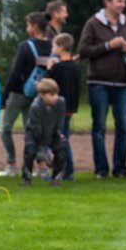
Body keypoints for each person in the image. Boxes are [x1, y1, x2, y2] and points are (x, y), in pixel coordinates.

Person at [78, 0, 126, 179]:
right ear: (108, 2)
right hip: (98, 82)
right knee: (99, 127)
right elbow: (83, 50)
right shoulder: (93, 24)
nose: (123, 5)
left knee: (124, 126)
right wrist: (108, 46)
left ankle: (120, 168)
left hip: (122, 84)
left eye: (123, 1)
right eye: (119, 1)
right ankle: (101, 169)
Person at [0, 12, 51, 177]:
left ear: (35, 27)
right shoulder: (51, 46)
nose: (27, 28)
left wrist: (5, 95)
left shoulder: (26, 46)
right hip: (40, 94)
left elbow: (16, 73)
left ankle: (11, 164)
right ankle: (42, 166)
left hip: (19, 93)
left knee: (5, 127)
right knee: (35, 130)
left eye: (28, 25)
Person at [20, 78, 67, 186]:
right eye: (51, 94)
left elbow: (60, 123)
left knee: (62, 148)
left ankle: (56, 178)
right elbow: (37, 129)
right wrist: (43, 151)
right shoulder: (35, 107)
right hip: (35, 132)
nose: (55, 97)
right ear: (42, 95)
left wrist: (57, 137)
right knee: (30, 150)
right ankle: (26, 178)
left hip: (53, 131)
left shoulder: (61, 103)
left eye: (56, 94)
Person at [47, 33, 81, 181]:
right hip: (69, 108)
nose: (53, 49)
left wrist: (49, 69)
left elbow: (47, 85)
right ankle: (66, 171)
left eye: (54, 46)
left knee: (60, 141)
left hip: (58, 109)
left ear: (61, 47)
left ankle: (65, 171)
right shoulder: (75, 66)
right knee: (63, 138)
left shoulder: (58, 68)